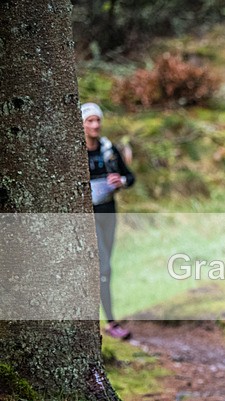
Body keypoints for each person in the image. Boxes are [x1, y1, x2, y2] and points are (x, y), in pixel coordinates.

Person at [82, 102, 136, 340]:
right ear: (81, 124)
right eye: (89, 121)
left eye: (98, 120)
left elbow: (130, 177)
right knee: (103, 268)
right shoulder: (76, 153)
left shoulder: (109, 149)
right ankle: (111, 322)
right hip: (88, 217)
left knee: (105, 270)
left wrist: (120, 181)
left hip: (108, 213)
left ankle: (107, 319)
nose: (95, 125)